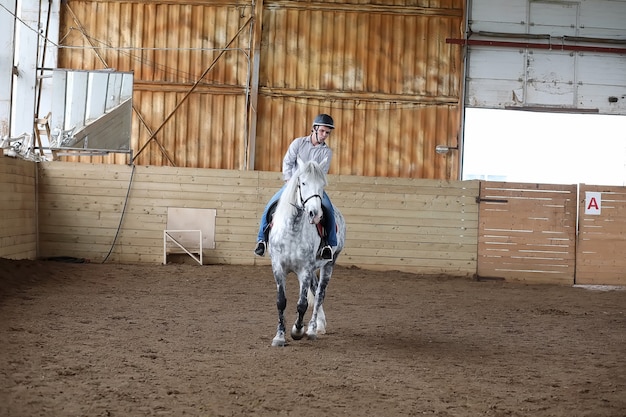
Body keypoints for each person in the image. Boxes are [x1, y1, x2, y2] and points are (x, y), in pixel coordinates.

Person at [255, 113, 338, 259]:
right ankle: (262, 240)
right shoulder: (298, 143)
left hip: (313, 189)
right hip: (292, 186)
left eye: (327, 132)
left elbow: (321, 173)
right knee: (269, 207)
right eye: (322, 131)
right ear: (314, 129)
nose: (325, 135)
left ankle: (328, 245)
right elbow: (287, 162)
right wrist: (288, 181)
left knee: (329, 211)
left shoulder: (326, 152)